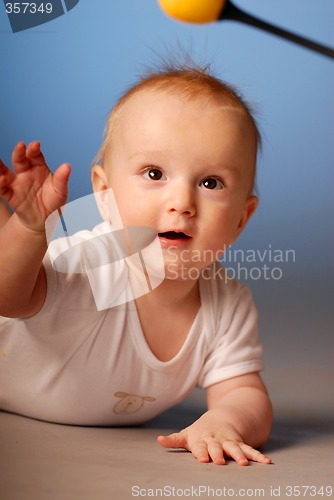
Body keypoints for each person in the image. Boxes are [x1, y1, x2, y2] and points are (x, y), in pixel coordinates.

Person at [0, 64, 273, 466]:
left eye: (210, 183)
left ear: (241, 219)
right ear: (105, 193)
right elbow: (9, 298)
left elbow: (244, 393)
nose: (181, 202)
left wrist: (226, 421)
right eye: (154, 173)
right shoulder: (88, 265)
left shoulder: (227, 305)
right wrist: (28, 227)